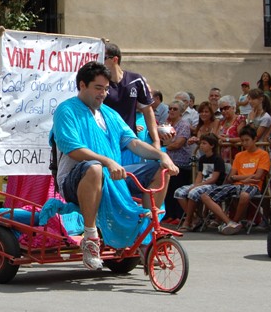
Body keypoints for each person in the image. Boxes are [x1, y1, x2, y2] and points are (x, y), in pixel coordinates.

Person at [51, 61, 178, 270]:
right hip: (75, 180)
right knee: (94, 167)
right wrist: (108, 161)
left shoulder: (109, 114)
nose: (103, 94)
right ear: (82, 85)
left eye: (106, 89)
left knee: (160, 168)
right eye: (98, 88)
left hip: (111, 176)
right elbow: (73, 149)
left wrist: (161, 156)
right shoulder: (66, 111)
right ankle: (90, 239)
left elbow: (133, 142)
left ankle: (146, 234)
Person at [200, 125, 270, 236]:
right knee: (204, 196)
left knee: (244, 195)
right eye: (242, 141)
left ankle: (235, 222)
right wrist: (246, 177)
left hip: (253, 186)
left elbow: (258, 177)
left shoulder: (263, 154)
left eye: (247, 140)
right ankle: (229, 222)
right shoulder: (239, 155)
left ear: (255, 139)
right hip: (237, 185)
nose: (244, 143)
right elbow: (231, 176)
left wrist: (240, 177)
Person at [102, 43, 160, 150]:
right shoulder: (100, 83)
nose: (99, 61)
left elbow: (148, 111)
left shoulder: (136, 80)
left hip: (130, 144)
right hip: (107, 143)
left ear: (115, 59)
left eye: (103, 58)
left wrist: (156, 141)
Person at [175, 133, 225, 231]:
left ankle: (187, 221)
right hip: (202, 184)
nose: (201, 145)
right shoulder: (202, 159)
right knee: (179, 192)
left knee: (193, 192)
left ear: (212, 145)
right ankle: (195, 218)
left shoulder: (218, 159)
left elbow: (214, 178)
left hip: (213, 185)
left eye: (204, 143)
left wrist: (197, 186)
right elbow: (200, 175)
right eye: (201, 143)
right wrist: (195, 184)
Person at [161, 99, 193, 224]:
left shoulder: (183, 125)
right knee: (168, 190)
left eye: (175, 109)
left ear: (181, 112)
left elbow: (178, 143)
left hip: (181, 163)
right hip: (168, 162)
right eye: (170, 108)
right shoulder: (166, 124)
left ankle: (180, 216)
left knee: (177, 189)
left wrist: (163, 148)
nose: (171, 111)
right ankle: (170, 214)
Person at [217, 95, 243, 164]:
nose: (223, 111)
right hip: (222, 158)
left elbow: (242, 138)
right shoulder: (221, 122)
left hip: (236, 157)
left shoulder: (240, 119)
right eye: (221, 109)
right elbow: (217, 136)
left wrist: (227, 139)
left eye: (226, 108)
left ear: (233, 107)